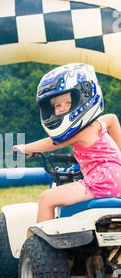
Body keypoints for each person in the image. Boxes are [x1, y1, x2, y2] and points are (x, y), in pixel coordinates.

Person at [13, 63, 121, 223]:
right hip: (114, 176)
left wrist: (25, 148)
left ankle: (40, 247)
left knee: (46, 198)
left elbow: (53, 143)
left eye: (67, 103)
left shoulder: (81, 130)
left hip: (102, 180)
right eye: (57, 105)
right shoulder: (97, 123)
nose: (62, 108)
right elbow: (112, 119)